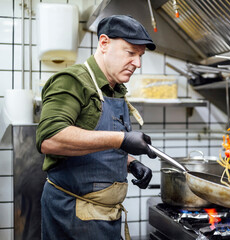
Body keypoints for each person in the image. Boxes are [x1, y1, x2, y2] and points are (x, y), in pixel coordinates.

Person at [36, 15, 157, 240]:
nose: (138, 63)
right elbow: (50, 139)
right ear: (104, 43)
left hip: (105, 216)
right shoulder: (72, 81)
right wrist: (121, 140)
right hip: (73, 215)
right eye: (130, 53)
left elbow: (94, 141)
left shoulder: (115, 89)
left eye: (140, 56)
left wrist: (130, 163)